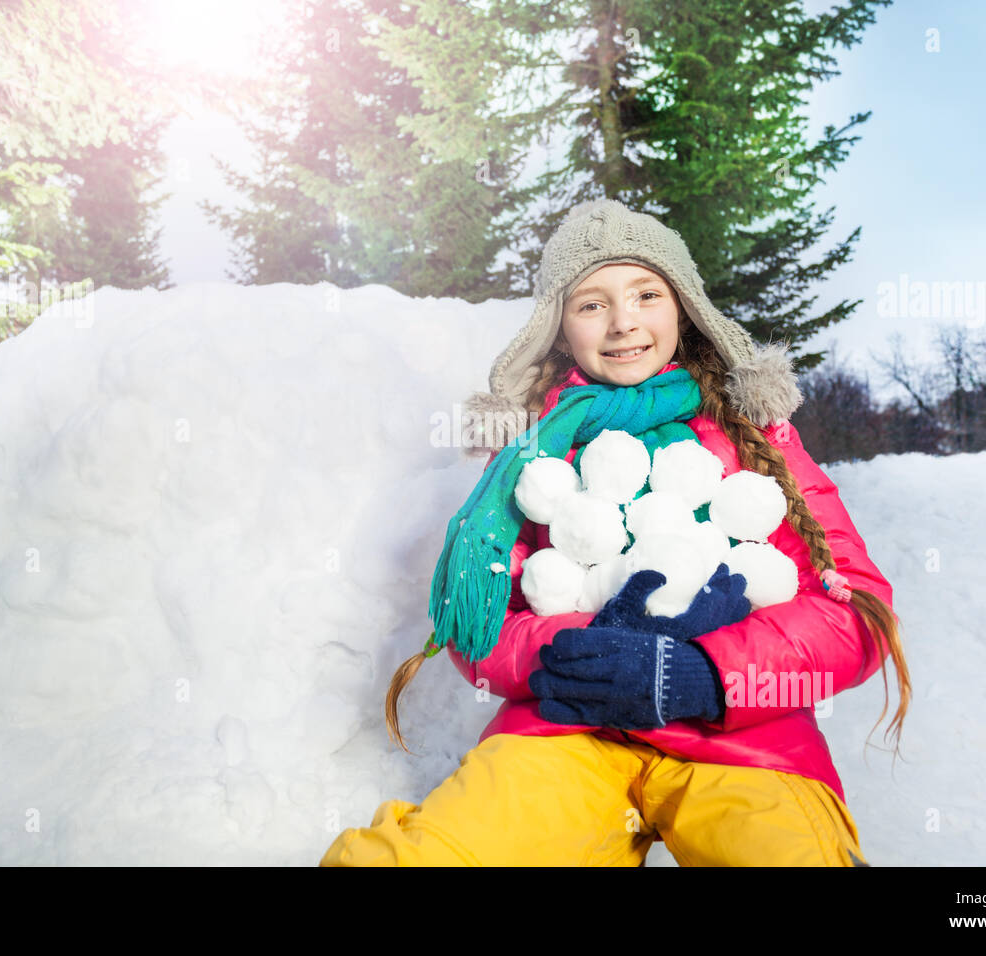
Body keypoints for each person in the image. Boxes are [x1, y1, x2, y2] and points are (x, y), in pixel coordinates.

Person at [318, 199, 911, 867]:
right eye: (592, 303)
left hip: (746, 740)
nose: (623, 320)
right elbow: (479, 633)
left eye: (646, 293)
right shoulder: (532, 448)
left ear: (682, 306)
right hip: (568, 727)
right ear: (559, 326)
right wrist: (587, 655)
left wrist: (704, 675)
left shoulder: (755, 432)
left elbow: (858, 613)